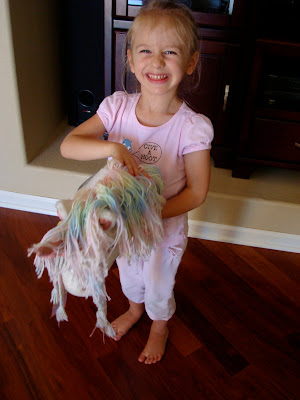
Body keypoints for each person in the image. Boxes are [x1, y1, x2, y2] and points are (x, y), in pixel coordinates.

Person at [60, 0, 213, 364]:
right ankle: (133, 308)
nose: (156, 61)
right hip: (125, 227)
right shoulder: (116, 109)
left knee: (159, 283)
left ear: (190, 62)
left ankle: (160, 323)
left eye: (170, 52)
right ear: (130, 60)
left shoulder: (193, 127)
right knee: (129, 276)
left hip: (164, 227)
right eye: (146, 50)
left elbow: (197, 191)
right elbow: (68, 146)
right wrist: (111, 144)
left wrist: (146, 214)